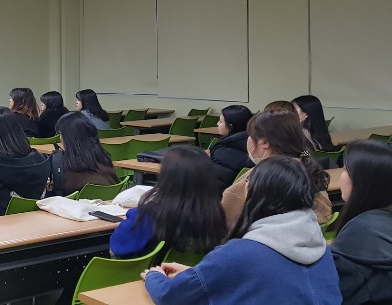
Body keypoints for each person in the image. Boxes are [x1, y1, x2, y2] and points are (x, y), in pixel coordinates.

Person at [142, 156, 341, 304]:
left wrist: (154, 276)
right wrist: (198, 275)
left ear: (256, 191)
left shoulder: (241, 252)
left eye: (248, 181)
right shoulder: (321, 248)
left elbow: (172, 296)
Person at [220, 110, 332, 230]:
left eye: (250, 136)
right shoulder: (309, 170)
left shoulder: (254, 182)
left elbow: (224, 226)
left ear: (264, 142)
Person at [110, 146, 226, 258]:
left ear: (166, 178)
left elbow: (116, 249)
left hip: (148, 271)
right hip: (192, 270)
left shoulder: (146, 216)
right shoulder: (216, 216)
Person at [330, 140, 392, 304]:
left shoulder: (360, 233)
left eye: (346, 169)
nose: (342, 175)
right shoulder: (382, 220)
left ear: (364, 181)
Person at [48, 111, 118, 197]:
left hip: (73, 205)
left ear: (68, 138)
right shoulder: (104, 159)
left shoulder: (62, 165)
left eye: (61, 134)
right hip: (108, 204)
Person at [209, 105, 254, 187]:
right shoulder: (255, 146)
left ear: (230, 126)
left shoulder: (222, 152)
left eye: (220, 121)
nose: (217, 123)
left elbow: (212, 181)